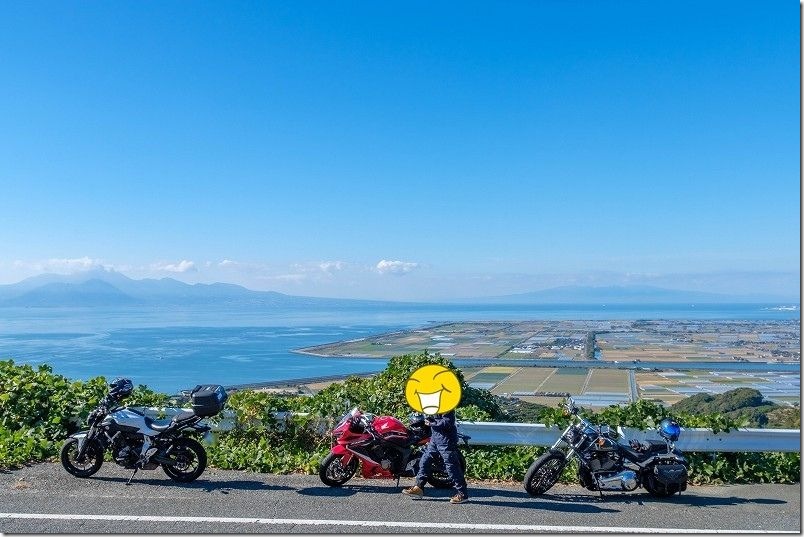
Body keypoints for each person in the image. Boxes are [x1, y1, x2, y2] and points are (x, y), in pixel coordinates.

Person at [402, 409, 468, 504]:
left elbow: (447, 422)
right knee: (424, 461)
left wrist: (432, 423)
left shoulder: (447, 406)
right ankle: (419, 487)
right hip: (435, 439)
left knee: (451, 467)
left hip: (446, 440)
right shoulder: (434, 405)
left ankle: (462, 494)